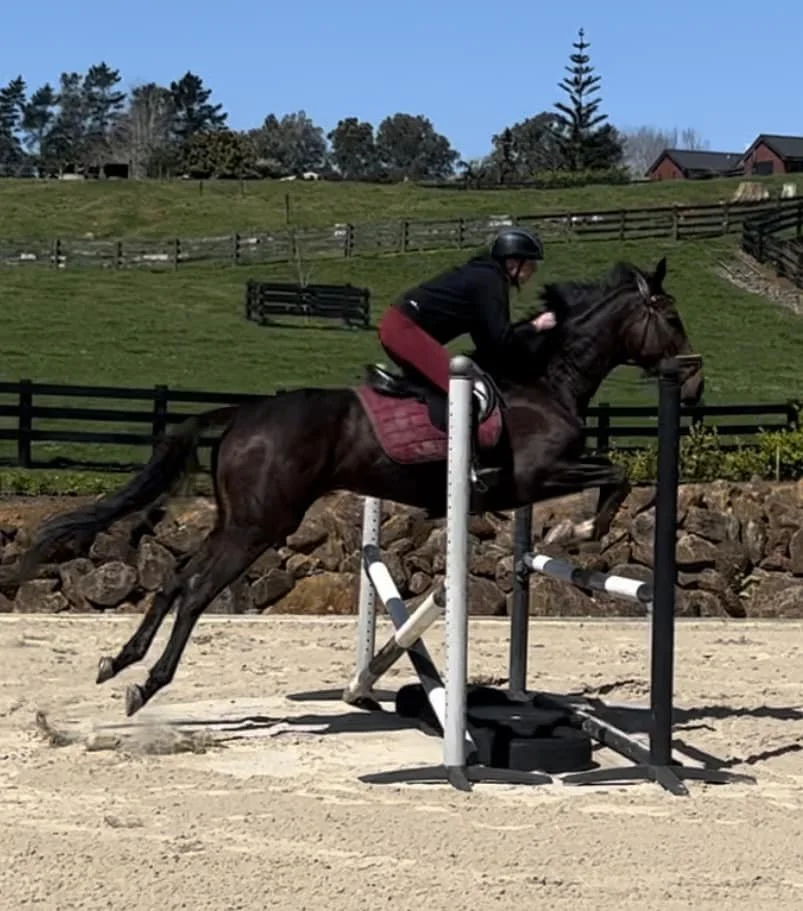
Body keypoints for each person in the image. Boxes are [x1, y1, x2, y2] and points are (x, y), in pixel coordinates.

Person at [377, 226, 557, 424]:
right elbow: (501, 339)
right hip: (403, 330)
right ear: (513, 262)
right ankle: (450, 452)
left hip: (400, 326)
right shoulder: (490, 281)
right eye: (530, 264)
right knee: (463, 393)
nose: (534, 270)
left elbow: (490, 343)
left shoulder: (483, 276)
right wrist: (535, 326)